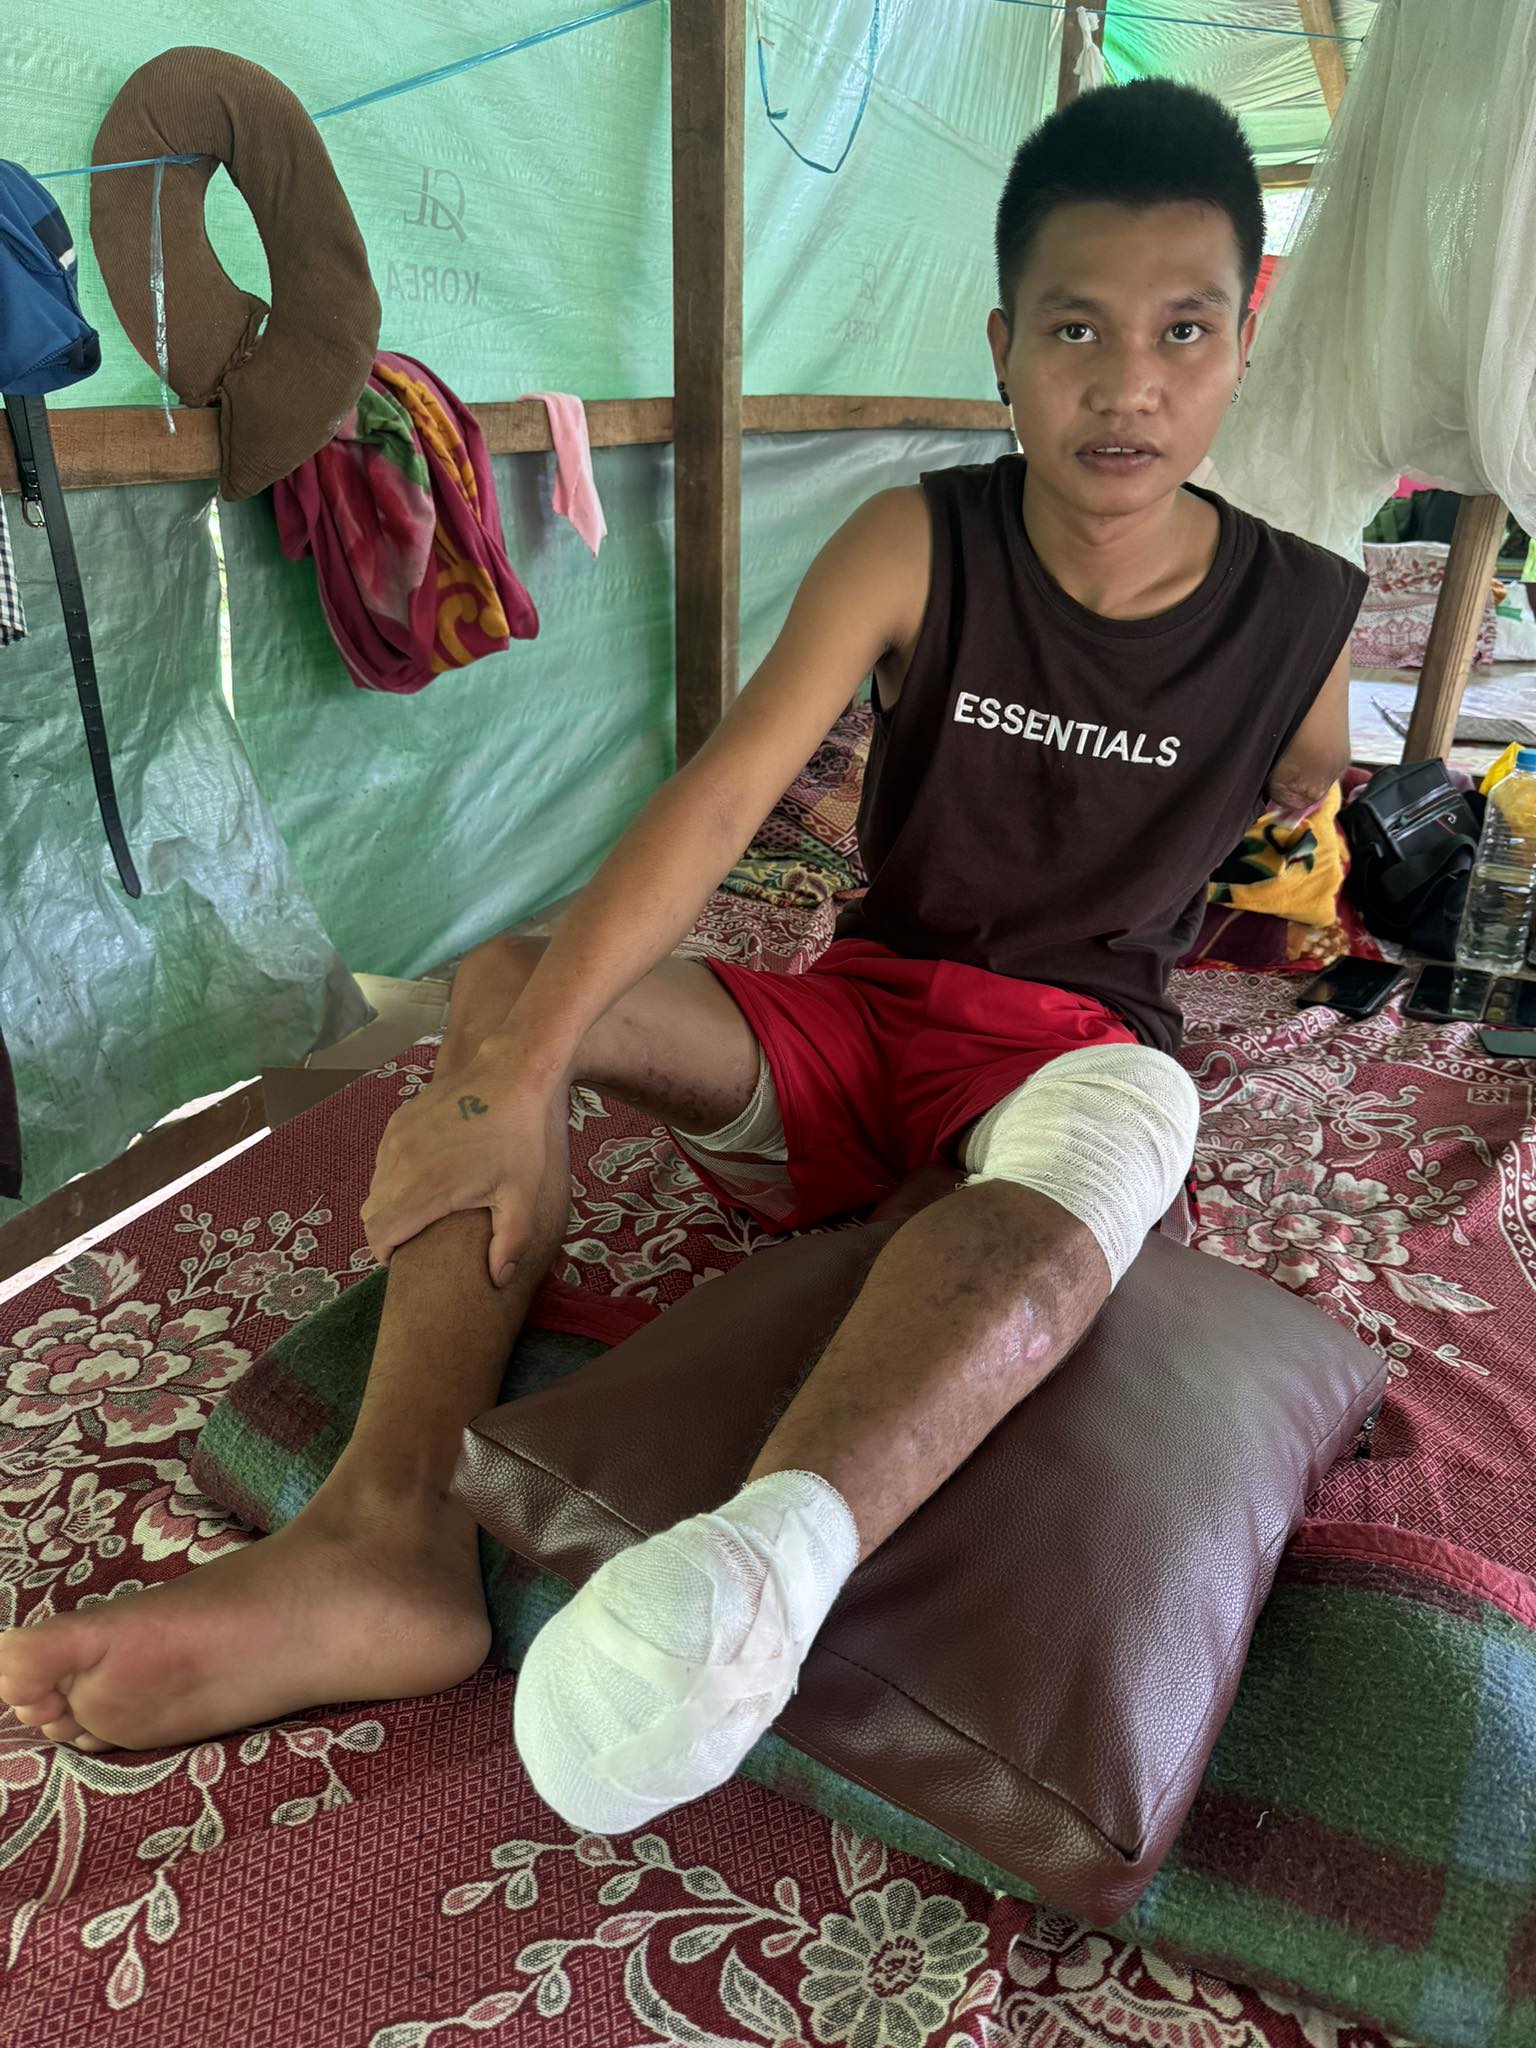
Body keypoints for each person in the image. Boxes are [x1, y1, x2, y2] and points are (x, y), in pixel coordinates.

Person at [0, 81, 1364, 1829]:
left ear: (1243, 341)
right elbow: (723, 802)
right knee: (502, 988)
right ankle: (384, 1534)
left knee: (1145, 1106)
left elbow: (1310, 805)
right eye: (1076, 330)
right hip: (856, 1034)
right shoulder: (919, 539)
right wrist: (501, 1081)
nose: (1129, 384)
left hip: (1064, 1069)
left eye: (1184, 330)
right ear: (1005, 347)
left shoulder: (1306, 616)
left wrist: (1299, 841)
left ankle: (764, 1568)